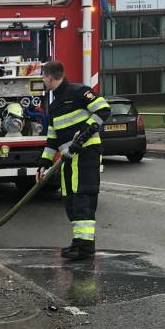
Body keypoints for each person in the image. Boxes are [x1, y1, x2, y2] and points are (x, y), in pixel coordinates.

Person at [37, 61, 111, 260]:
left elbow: (103, 110)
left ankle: (84, 248)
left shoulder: (79, 91)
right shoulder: (53, 105)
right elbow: (52, 137)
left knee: (82, 198)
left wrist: (84, 135)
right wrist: (44, 163)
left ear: (49, 77)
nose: (43, 80)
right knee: (70, 200)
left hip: (86, 153)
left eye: (43, 77)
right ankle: (79, 243)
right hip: (68, 158)